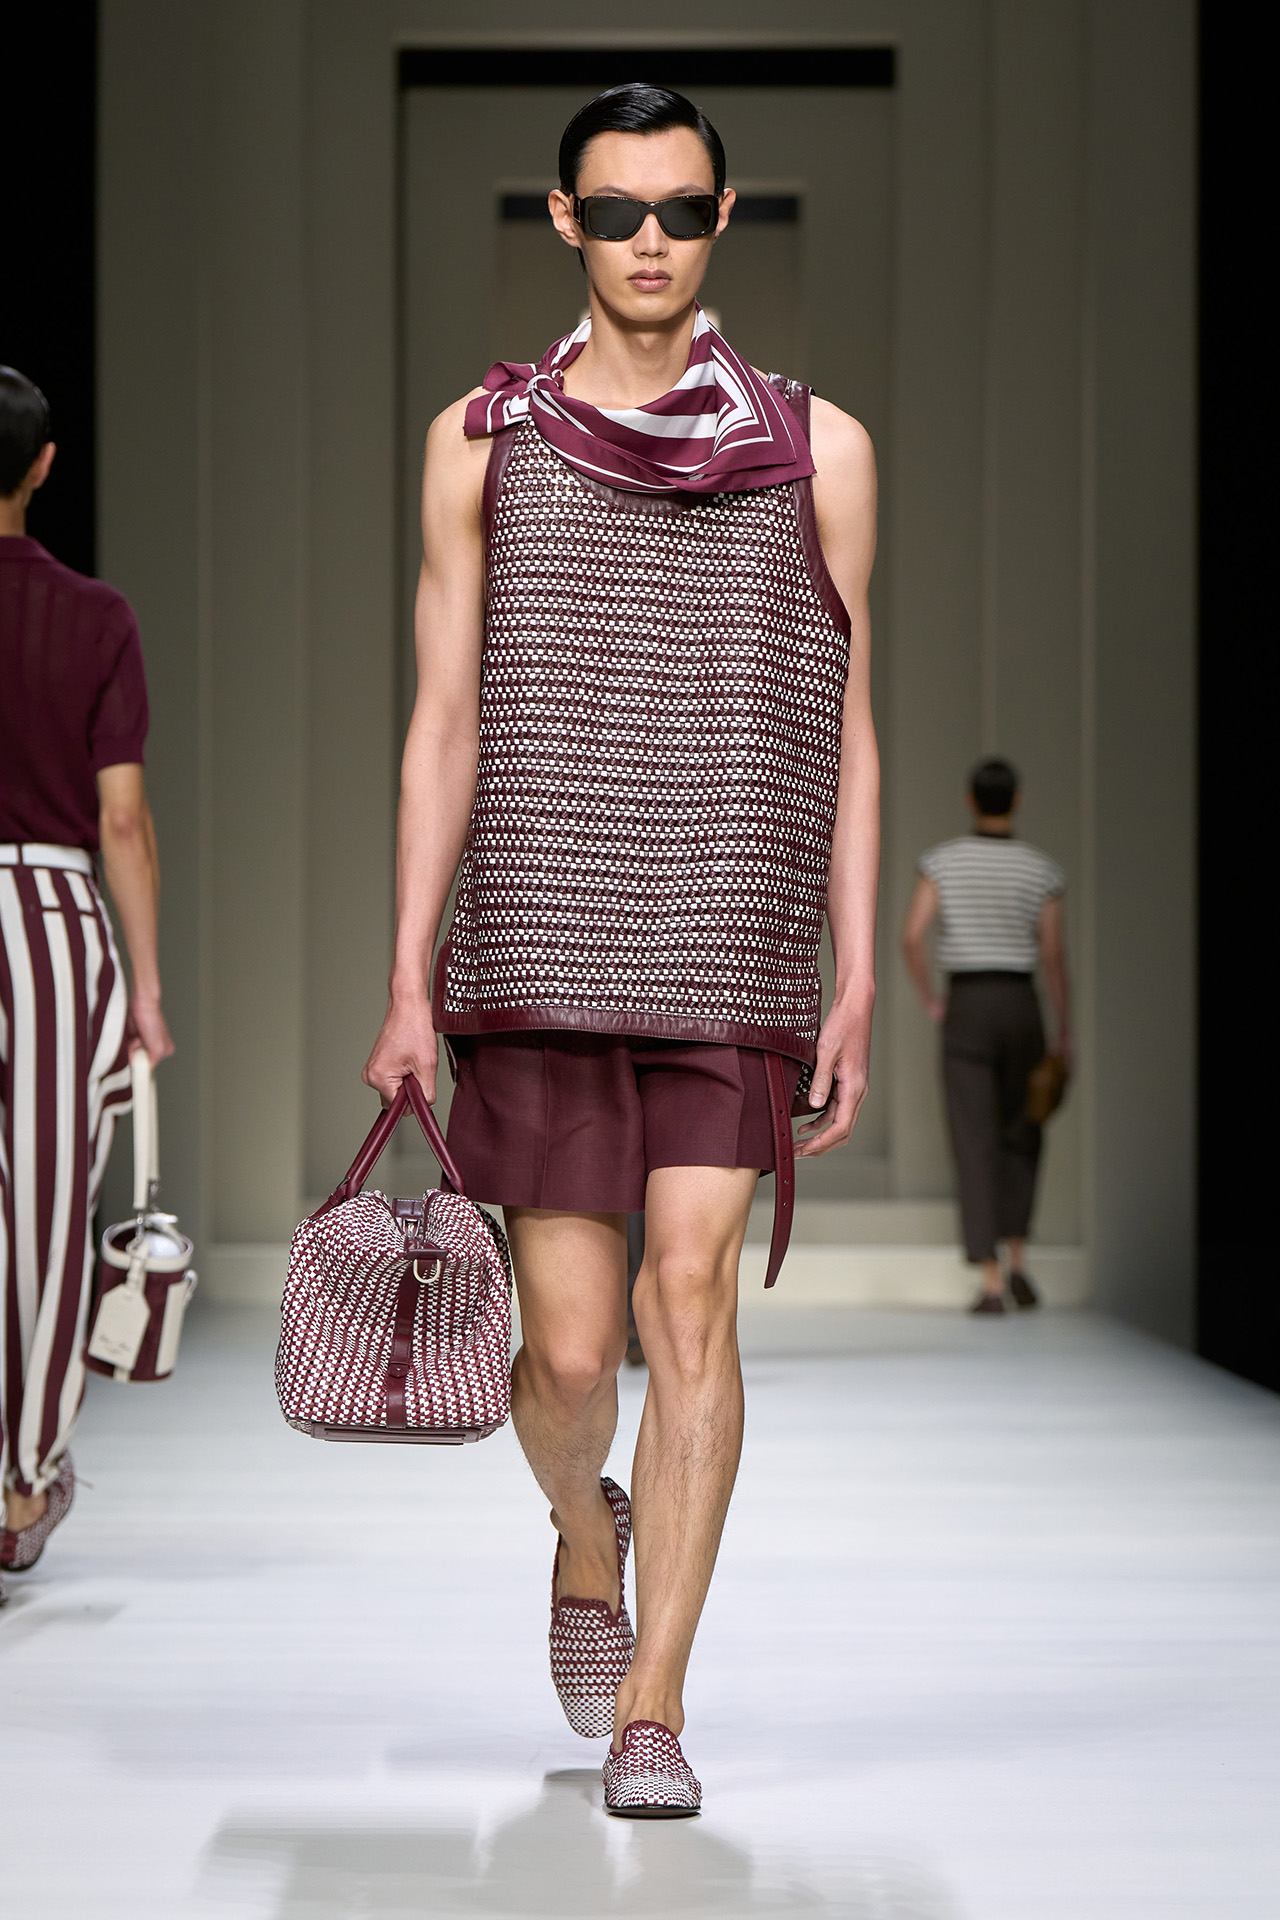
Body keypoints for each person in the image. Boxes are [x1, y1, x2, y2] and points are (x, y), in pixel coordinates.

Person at [363, 85, 879, 1814]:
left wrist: (853, 969)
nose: (649, 239)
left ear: (722, 219)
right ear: (566, 221)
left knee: (689, 1302)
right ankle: (588, 1530)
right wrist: (407, 976)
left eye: (679, 209)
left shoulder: (819, 446)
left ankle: (655, 1706)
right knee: (571, 1359)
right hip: (541, 937)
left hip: (730, 939)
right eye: (617, 209)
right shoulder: (480, 441)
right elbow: (444, 722)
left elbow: (848, 722)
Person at [0, 367, 174, 1601]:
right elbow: (121, 819)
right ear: (45, 464)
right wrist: (147, 986)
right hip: (49, 919)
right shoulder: (93, 617)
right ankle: (21, 1483)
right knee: (49, 1219)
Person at [900, 757, 1071, 1315]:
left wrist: (931, 1000)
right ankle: (1018, 1259)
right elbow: (1052, 955)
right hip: (1021, 1002)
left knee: (972, 1137)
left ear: (970, 800)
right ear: (1017, 800)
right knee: (1023, 1129)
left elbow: (911, 937)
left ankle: (992, 1280)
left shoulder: (941, 862)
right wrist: (1064, 1027)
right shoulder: (1041, 869)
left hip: (968, 1002)